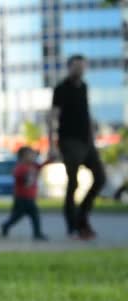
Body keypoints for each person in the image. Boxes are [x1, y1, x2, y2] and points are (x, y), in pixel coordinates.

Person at [48, 55, 106, 240]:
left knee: (100, 178)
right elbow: (52, 117)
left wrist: (93, 140)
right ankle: (72, 226)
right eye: (76, 66)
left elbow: (86, 114)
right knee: (73, 183)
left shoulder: (84, 87)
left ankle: (82, 217)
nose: (80, 70)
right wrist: (51, 145)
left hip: (87, 142)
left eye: (82, 66)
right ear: (69, 67)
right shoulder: (61, 89)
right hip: (69, 141)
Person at [0, 147, 52, 241]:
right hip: (22, 198)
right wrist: (25, 178)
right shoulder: (21, 167)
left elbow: (41, 165)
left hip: (30, 197)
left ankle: (6, 225)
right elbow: (17, 175)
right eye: (30, 155)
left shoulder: (33, 166)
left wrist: (50, 159)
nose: (33, 157)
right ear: (23, 157)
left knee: (20, 216)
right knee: (29, 215)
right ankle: (37, 233)